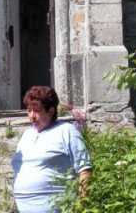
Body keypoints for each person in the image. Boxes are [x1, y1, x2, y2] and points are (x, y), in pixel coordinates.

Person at [12, 85, 91, 213]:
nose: (32, 116)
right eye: (29, 110)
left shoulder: (66, 131)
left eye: (37, 111)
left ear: (50, 111)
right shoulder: (26, 135)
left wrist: (81, 207)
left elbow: (85, 170)